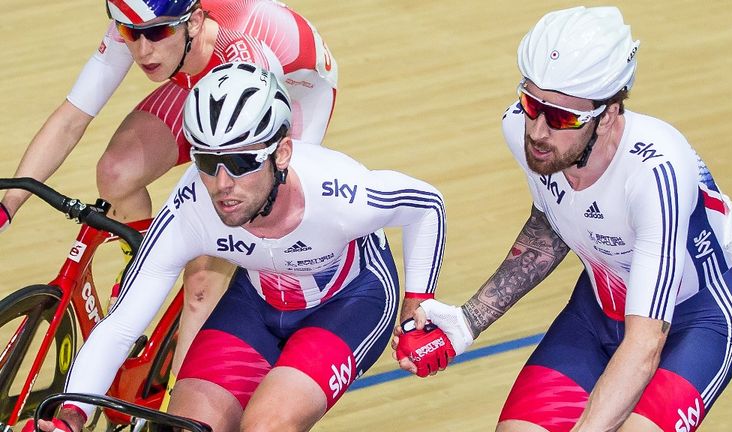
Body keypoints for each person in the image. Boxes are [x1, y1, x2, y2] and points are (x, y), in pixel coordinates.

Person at [27, 62, 446, 432]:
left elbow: (426, 206)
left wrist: (418, 306)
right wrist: (71, 417)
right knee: (190, 426)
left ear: (281, 153)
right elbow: (121, 326)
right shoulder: (191, 207)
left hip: (348, 302)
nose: (223, 184)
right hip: (258, 299)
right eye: (207, 162)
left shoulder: (339, 194)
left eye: (243, 162)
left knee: (267, 424)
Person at [395, 6, 732, 432]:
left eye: (562, 117)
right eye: (530, 101)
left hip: (692, 324)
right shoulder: (521, 131)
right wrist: (470, 320)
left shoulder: (656, 173)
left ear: (610, 115)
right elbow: (552, 223)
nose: (539, 131)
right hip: (597, 312)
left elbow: (645, 343)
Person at [0, 0, 339, 397]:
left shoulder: (245, 53)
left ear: (193, 21)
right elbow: (71, 118)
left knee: (202, 277)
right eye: (131, 34)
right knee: (115, 173)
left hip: (285, 97)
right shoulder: (143, 23)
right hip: (202, 82)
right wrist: (9, 204)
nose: (143, 50)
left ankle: (179, 414)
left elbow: (217, 183)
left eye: (157, 33)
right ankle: (139, 263)